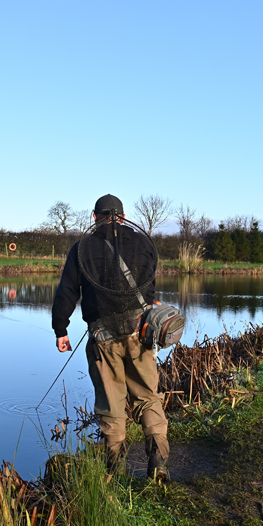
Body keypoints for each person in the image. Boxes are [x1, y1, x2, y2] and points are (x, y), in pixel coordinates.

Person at [51, 194, 169, 481]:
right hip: (140, 333)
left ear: (95, 217)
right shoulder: (142, 243)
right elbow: (149, 288)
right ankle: (158, 461)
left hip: (103, 339)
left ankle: (116, 470)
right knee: (149, 398)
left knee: (111, 404)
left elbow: (67, 292)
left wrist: (61, 330)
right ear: (123, 216)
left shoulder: (82, 248)